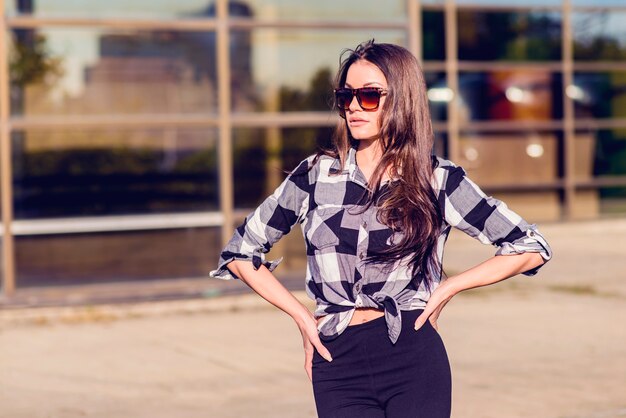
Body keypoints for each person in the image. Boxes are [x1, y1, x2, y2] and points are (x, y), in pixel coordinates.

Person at [209, 39, 553, 418]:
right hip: (336, 359)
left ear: (401, 99)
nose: (354, 106)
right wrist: (302, 317)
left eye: (369, 95)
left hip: (412, 354)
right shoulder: (314, 176)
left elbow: (529, 245)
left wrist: (450, 287)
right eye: (346, 95)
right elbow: (240, 253)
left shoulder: (435, 179)